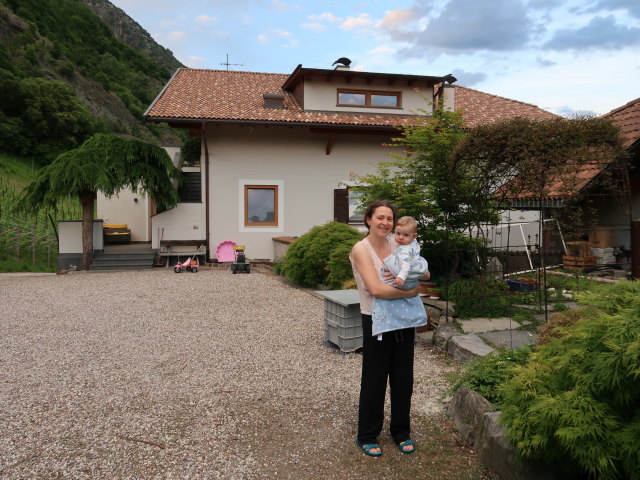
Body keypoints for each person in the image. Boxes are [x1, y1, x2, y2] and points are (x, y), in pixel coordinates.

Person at [349, 201, 430, 457]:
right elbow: (376, 289)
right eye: (380, 217)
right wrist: (412, 290)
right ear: (369, 220)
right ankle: (367, 434)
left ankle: (401, 432)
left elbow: (424, 273)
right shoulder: (361, 249)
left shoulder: (398, 242)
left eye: (389, 218)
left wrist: (416, 280)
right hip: (375, 319)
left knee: (403, 379)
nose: (385, 223)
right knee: (374, 379)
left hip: (403, 319)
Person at [371, 216, 428, 337]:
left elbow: (406, 265)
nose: (400, 238)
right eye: (398, 234)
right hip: (412, 279)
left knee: (383, 282)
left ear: (414, 236)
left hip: (404, 279)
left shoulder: (404, 250)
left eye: (405, 235)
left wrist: (400, 276)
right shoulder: (413, 244)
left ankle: (380, 318)